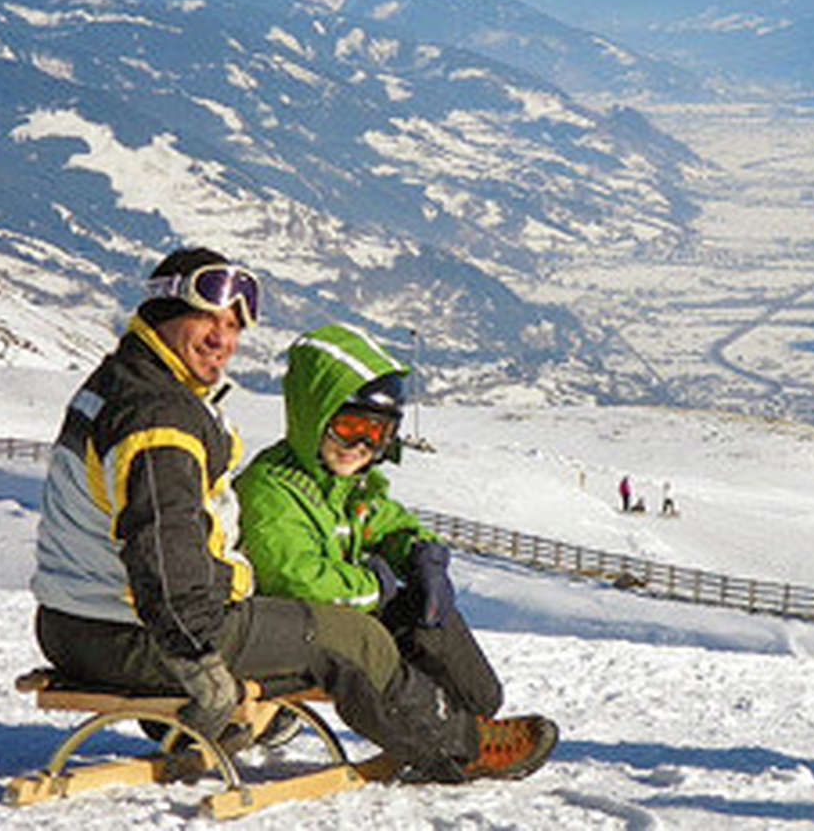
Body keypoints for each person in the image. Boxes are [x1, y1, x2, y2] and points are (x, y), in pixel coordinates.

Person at [30, 247, 555, 783]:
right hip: (138, 635)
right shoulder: (158, 417)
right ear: (163, 313)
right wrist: (198, 663)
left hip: (78, 623)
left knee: (318, 622)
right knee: (353, 639)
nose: (223, 339)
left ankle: (447, 720)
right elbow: (162, 551)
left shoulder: (125, 383)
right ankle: (462, 748)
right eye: (206, 318)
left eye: (233, 325)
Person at [235, 323, 506, 730]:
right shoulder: (270, 489)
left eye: (376, 433)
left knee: (427, 611)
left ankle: (477, 712)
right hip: (293, 630)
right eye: (348, 428)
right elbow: (292, 578)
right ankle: (450, 741)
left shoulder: (349, 485)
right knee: (368, 643)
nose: (360, 446)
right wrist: (371, 587)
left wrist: (419, 553)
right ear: (314, 416)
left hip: (334, 615)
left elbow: (387, 522)